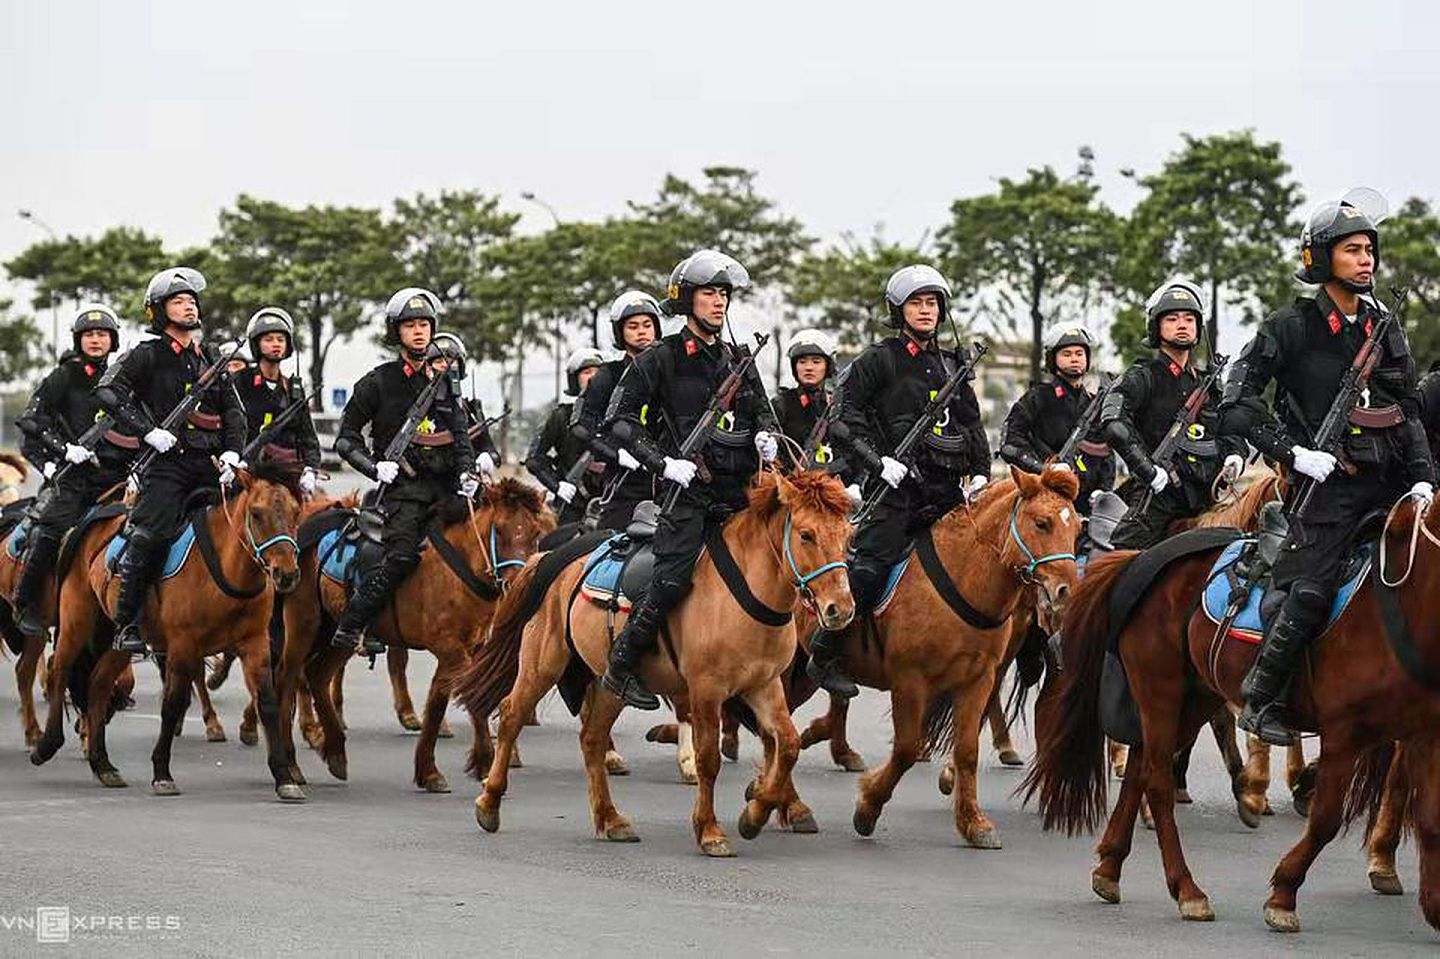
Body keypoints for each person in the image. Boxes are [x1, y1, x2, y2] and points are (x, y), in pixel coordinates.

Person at [1221, 193, 1435, 744]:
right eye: (1352, 250)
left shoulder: (1384, 327)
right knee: (1311, 590)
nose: (1366, 260)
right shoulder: (1288, 326)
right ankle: (1263, 696)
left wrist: (1423, 475)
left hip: (1388, 482)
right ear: (1320, 258)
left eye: (1369, 250)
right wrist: (1292, 454)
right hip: (1326, 488)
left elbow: (1406, 406)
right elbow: (1240, 399)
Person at [598, 251, 780, 709]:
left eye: (723, 294)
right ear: (686, 301)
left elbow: (762, 409)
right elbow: (619, 420)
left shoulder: (738, 358)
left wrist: (765, 435)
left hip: (739, 492)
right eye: (708, 294)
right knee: (673, 578)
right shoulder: (662, 357)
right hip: (688, 494)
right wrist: (661, 462)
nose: (718, 303)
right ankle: (623, 663)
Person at [808, 265, 991, 698]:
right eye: (916, 303)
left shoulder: (953, 364)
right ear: (899, 310)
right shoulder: (878, 359)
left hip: (945, 495)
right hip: (894, 492)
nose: (926, 311)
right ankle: (825, 652)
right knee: (868, 568)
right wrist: (878, 461)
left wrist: (981, 469)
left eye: (932, 303)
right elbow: (841, 420)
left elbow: (971, 422)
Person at [94, 267, 247, 654]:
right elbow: (109, 391)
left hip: (208, 465)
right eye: (179, 301)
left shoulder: (209, 357)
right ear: (159, 311)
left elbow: (234, 411)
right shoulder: (148, 354)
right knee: (151, 534)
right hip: (166, 466)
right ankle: (127, 622)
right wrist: (148, 431)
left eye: (192, 301)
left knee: (247, 528)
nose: (189, 306)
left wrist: (233, 451)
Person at [330, 288, 477, 654]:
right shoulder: (378, 382)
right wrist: (374, 467)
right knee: (401, 556)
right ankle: (355, 622)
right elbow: (346, 440)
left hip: (446, 491)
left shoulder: (446, 382)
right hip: (404, 493)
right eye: (410, 325)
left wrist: (468, 474)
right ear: (397, 332)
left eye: (425, 325)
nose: (419, 332)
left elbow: (460, 438)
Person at [11, 305, 136, 636]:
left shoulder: (122, 377)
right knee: (50, 529)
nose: (96, 340)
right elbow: (32, 420)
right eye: (89, 335)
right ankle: (25, 602)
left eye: (102, 334)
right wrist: (65, 451)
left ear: (113, 340)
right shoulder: (63, 376)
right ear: (79, 340)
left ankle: (134, 613)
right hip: (75, 477)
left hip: (117, 476)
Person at [1101, 279, 1246, 550]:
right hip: (1158, 497)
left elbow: (1232, 425)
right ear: (1156, 327)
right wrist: (1148, 470)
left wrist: (1237, 455)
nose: (1183, 324)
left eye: (1190, 319)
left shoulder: (1210, 384)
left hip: (1208, 498)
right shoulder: (1142, 377)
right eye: (1173, 318)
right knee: (1114, 566)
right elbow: (1114, 425)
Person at [999, 326, 1115, 515]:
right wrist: (1047, 469)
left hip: (1089, 505)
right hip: (1046, 500)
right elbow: (1010, 445)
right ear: (1053, 359)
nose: (1074, 358)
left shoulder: (1095, 404)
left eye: (1079, 353)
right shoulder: (1038, 397)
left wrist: (1103, 490)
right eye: (1066, 354)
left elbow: (1107, 453)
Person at [575, 290, 663, 531]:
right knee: (609, 548)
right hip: (625, 483)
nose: (642, 331)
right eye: (633, 326)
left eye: (647, 325)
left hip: (670, 478)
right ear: (620, 332)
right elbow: (582, 427)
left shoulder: (670, 370)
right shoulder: (607, 375)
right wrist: (617, 454)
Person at [231, 307, 320, 495]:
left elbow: (308, 436)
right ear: (257, 344)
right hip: (246, 473)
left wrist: (311, 470)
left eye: (281, 339)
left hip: (286, 474)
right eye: (268, 339)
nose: (276, 344)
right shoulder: (240, 381)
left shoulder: (293, 389)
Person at [772, 328, 861, 502]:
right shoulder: (781, 404)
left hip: (835, 494)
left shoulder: (840, 405)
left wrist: (857, 484)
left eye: (816, 361)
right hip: (794, 494)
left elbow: (854, 451)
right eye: (802, 362)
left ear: (827, 366)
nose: (809, 367)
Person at [526, 348, 605, 525]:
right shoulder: (561, 417)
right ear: (575, 379)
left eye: (598, 372)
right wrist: (557, 485)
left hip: (612, 502)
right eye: (587, 372)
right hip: (572, 505)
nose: (593, 377)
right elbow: (534, 459)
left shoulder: (618, 415)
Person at [432, 332, 501, 478]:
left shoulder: (468, 410)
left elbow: (493, 453)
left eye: (451, 360)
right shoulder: (416, 407)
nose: (445, 365)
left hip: (463, 482)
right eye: (438, 361)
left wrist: (486, 459)